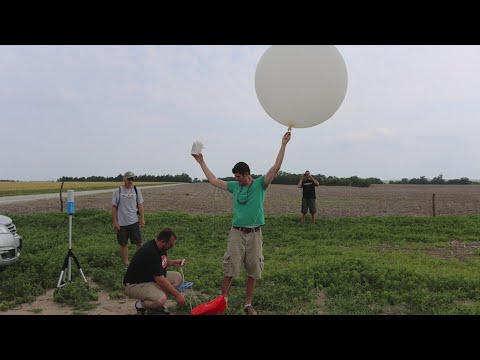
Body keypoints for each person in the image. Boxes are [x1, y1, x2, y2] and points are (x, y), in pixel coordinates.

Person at [192, 131, 291, 315]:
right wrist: (201, 162)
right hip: (236, 233)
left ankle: (248, 304)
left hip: (254, 234)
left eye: (238, 176)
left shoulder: (261, 184)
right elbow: (213, 180)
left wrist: (283, 144)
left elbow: (276, 166)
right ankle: (223, 301)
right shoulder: (234, 186)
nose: (236, 179)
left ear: (246, 174)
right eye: (235, 176)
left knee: (253, 269)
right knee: (229, 267)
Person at [123, 228, 186, 315]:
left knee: (177, 278)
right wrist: (178, 295)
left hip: (149, 278)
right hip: (135, 284)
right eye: (171, 245)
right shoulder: (150, 252)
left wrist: (173, 262)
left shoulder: (160, 247)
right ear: (163, 241)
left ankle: (156, 305)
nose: (171, 247)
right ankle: (141, 305)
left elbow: (158, 263)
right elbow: (160, 280)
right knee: (161, 299)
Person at [112, 171, 145, 266]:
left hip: (134, 221)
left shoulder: (136, 190)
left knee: (139, 242)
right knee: (123, 244)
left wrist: (142, 218)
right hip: (122, 223)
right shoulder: (117, 191)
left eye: (133, 179)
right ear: (124, 179)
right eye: (129, 179)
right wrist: (115, 222)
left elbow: (140, 205)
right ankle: (126, 263)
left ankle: (139, 262)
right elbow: (114, 207)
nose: (131, 181)